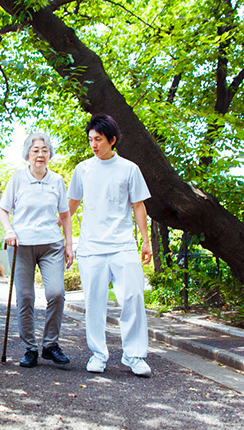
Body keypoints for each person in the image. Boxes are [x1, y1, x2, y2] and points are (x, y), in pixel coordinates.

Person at [67, 113, 154, 377]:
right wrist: (57, 230)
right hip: (92, 247)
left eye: (99, 139)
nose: (94, 144)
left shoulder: (129, 169)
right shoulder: (82, 169)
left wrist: (146, 242)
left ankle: (134, 355)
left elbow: (138, 206)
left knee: (133, 297)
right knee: (94, 302)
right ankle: (98, 354)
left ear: (112, 140)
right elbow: (70, 205)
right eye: (91, 139)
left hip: (122, 245)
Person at [0, 132, 74, 368]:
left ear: (49, 154)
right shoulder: (17, 179)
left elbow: (65, 215)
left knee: (56, 293)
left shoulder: (57, 181)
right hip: (21, 245)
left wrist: (68, 244)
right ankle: (30, 348)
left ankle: (50, 345)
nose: (40, 155)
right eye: (35, 150)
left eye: (44, 150)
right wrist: (9, 230)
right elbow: (3, 210)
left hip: (51, 244)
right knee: (26, 298)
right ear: (27, 155)